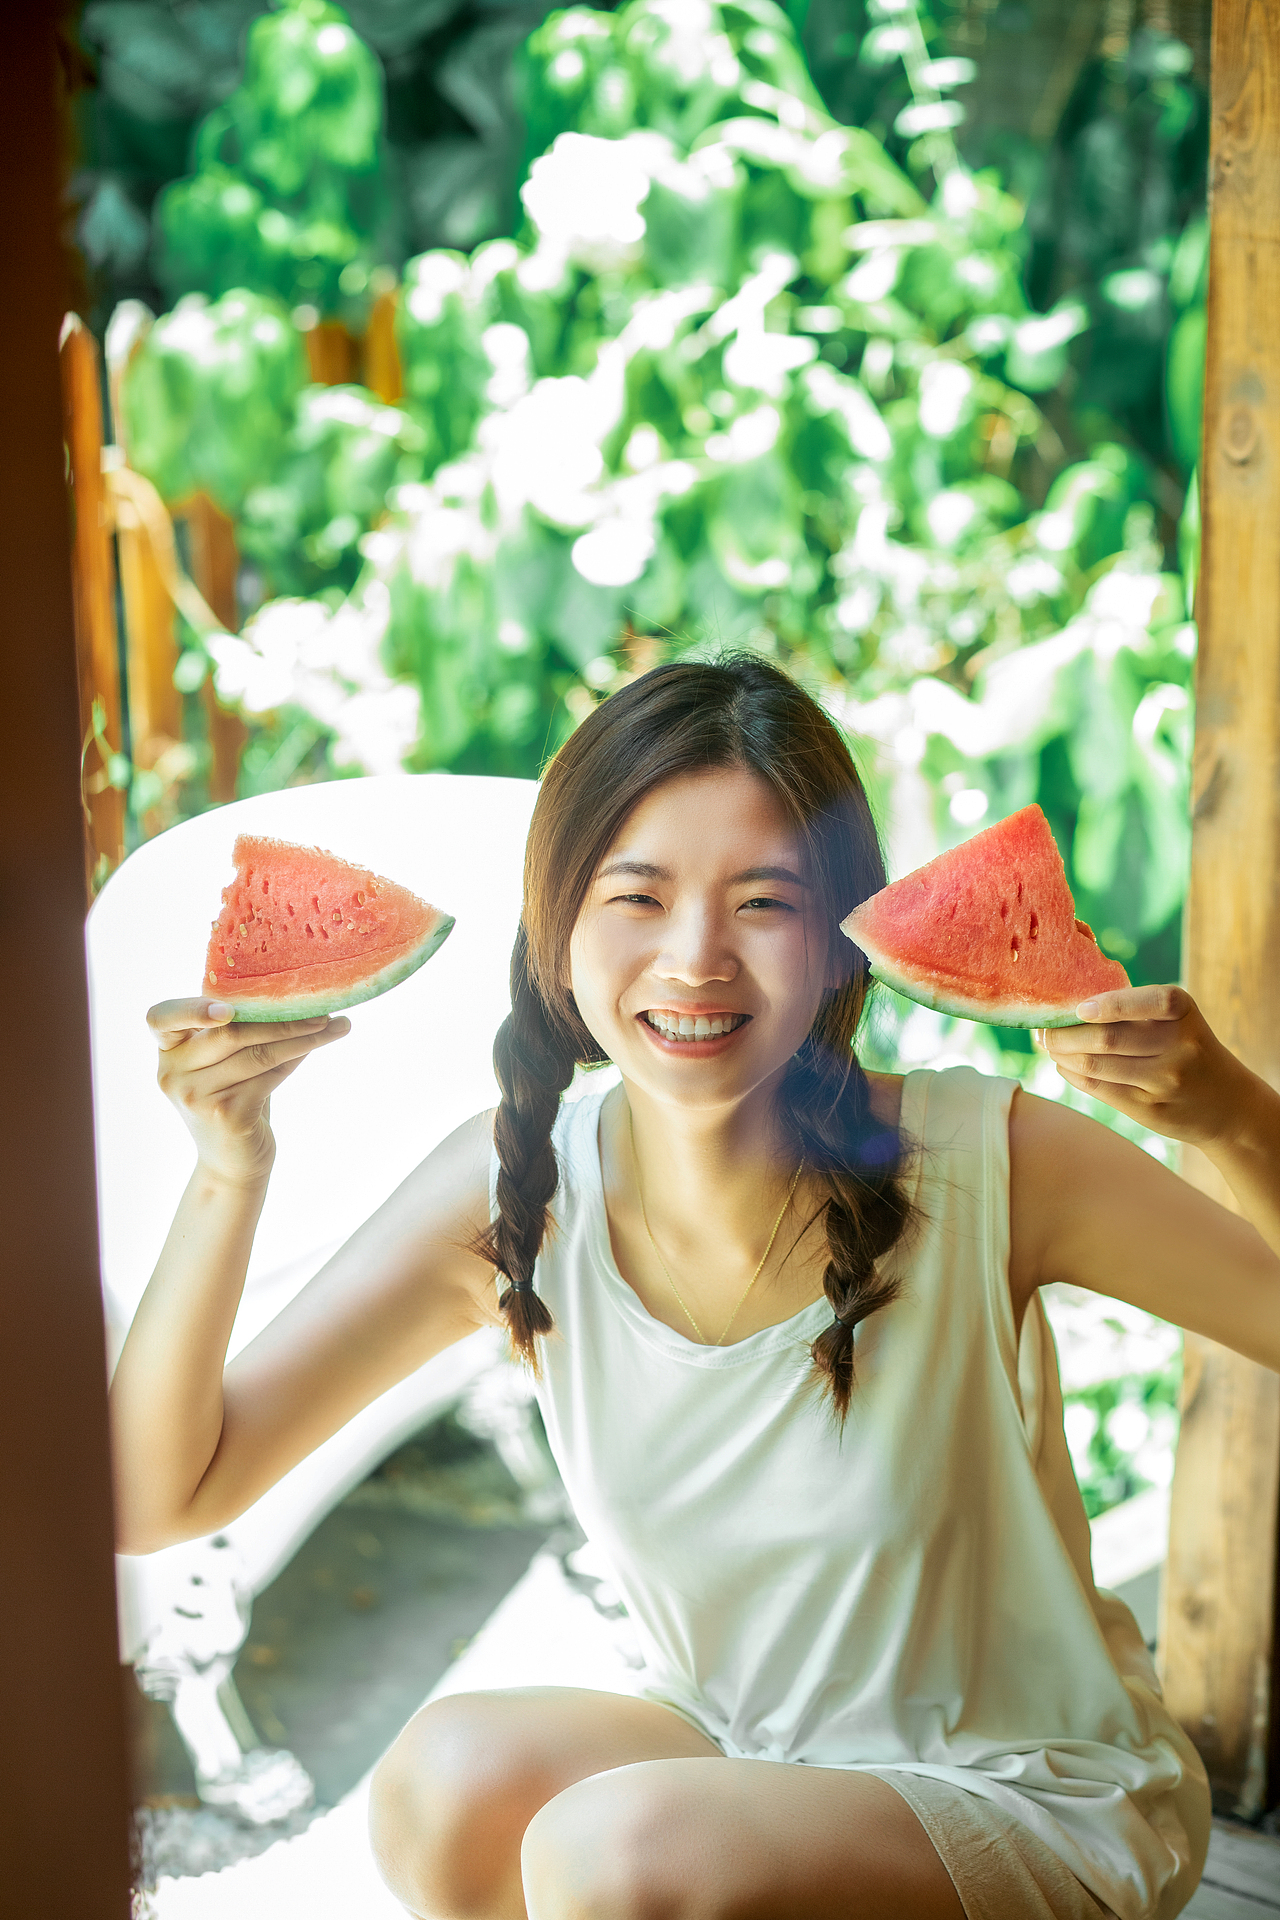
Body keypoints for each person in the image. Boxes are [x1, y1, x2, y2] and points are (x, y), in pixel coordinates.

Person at [111, 655, 1280, 1920]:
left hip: (1028, 1794)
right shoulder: (517, 1190)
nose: (694, 958)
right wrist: (229, 1171)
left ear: (841, 944)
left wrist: (1230, 1118)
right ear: (557, 926)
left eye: (763, 903)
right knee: (438, 1784)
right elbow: (157, 1497)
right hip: (752, 1755)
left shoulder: (986, 1159)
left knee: (618, 1854)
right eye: (638, 895)